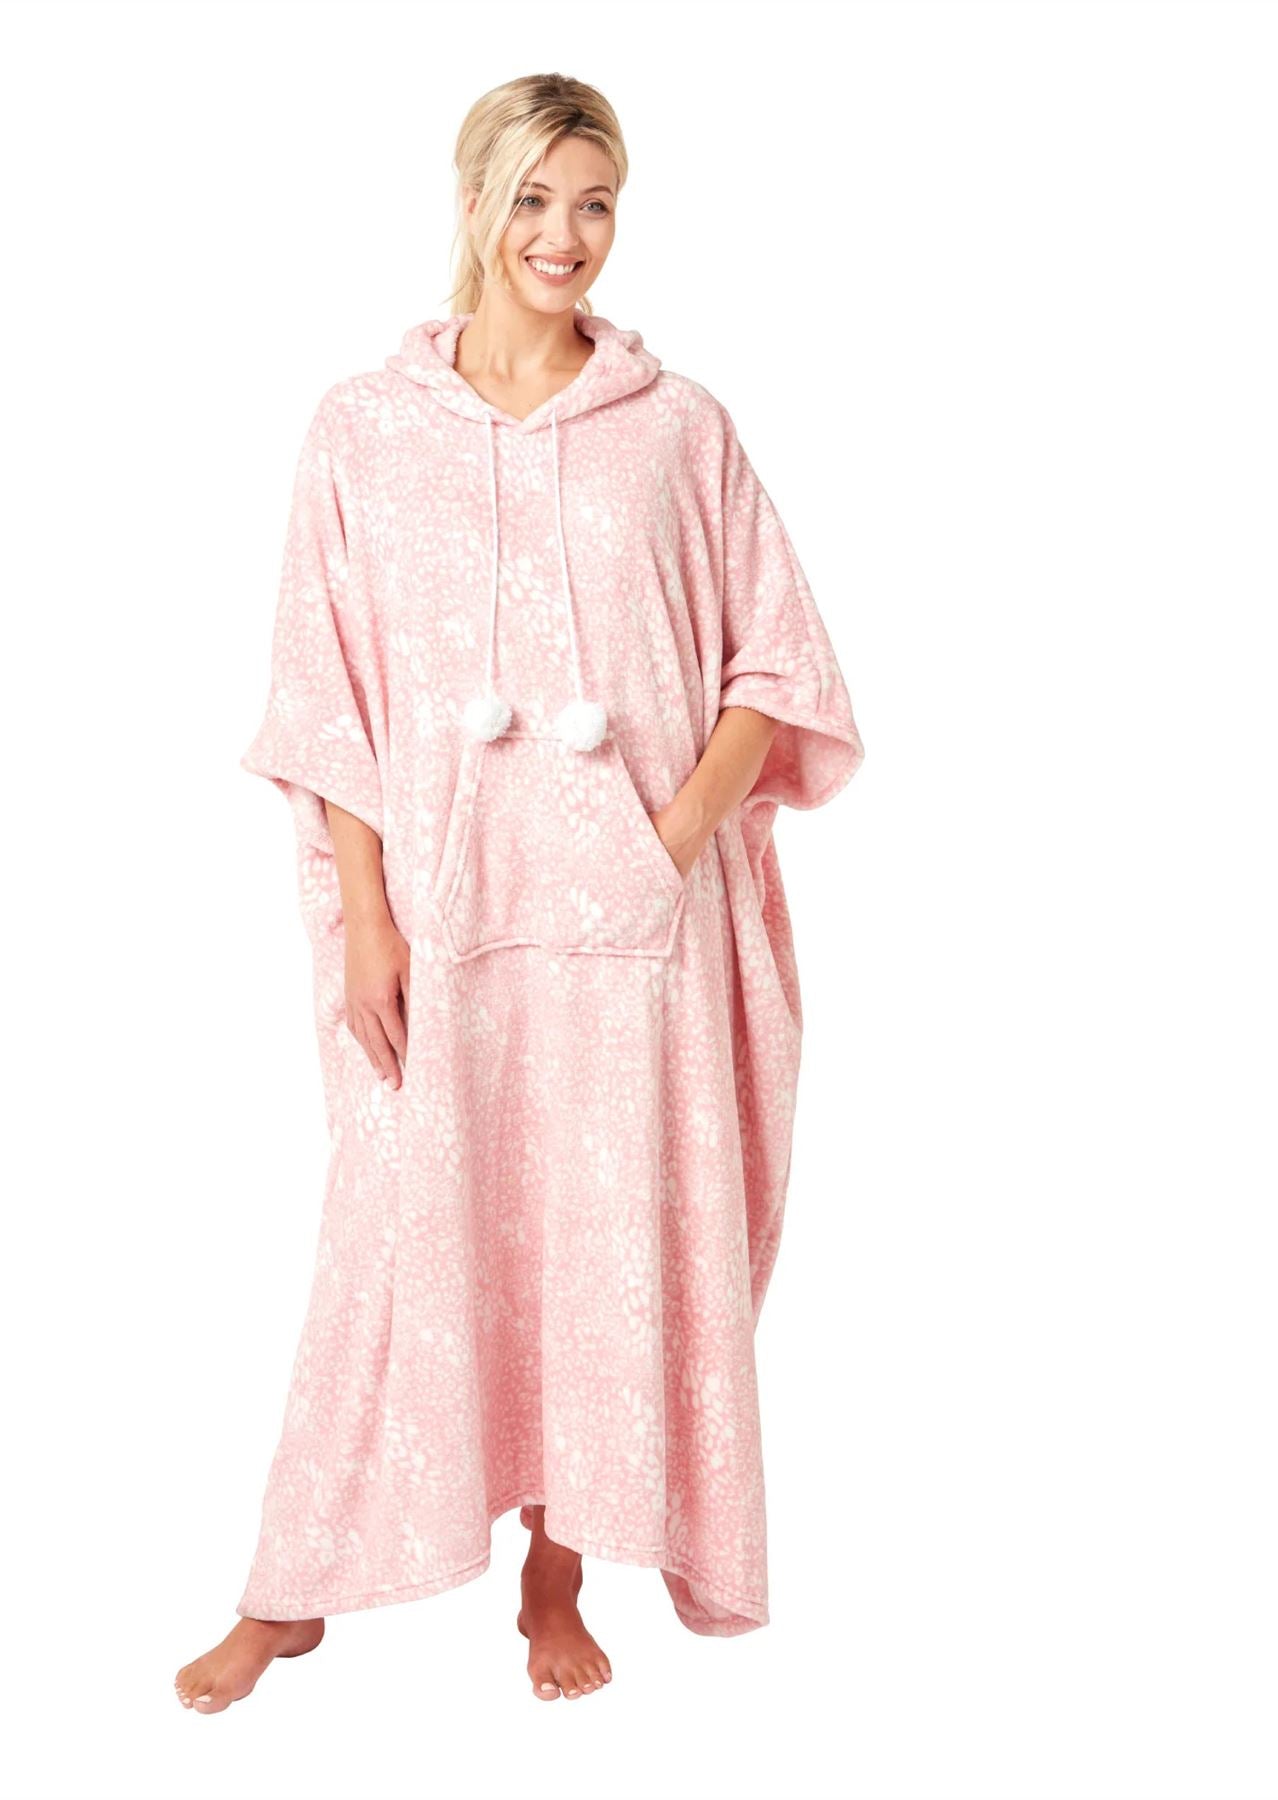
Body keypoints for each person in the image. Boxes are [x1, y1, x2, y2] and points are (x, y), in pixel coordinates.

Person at [176, 71, 864, 1712]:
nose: (567, 236)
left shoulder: (678, 427)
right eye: (538, 200)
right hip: (449, 916)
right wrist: (368, 922)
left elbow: (775, 658)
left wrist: (667, 842)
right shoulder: (363, 427)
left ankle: (558, 1578)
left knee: (603, 1232)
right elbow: (325, 697)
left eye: (596, 203)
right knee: (395, 1239)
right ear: (478, 203)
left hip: (631, 931)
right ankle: (294, 1586)